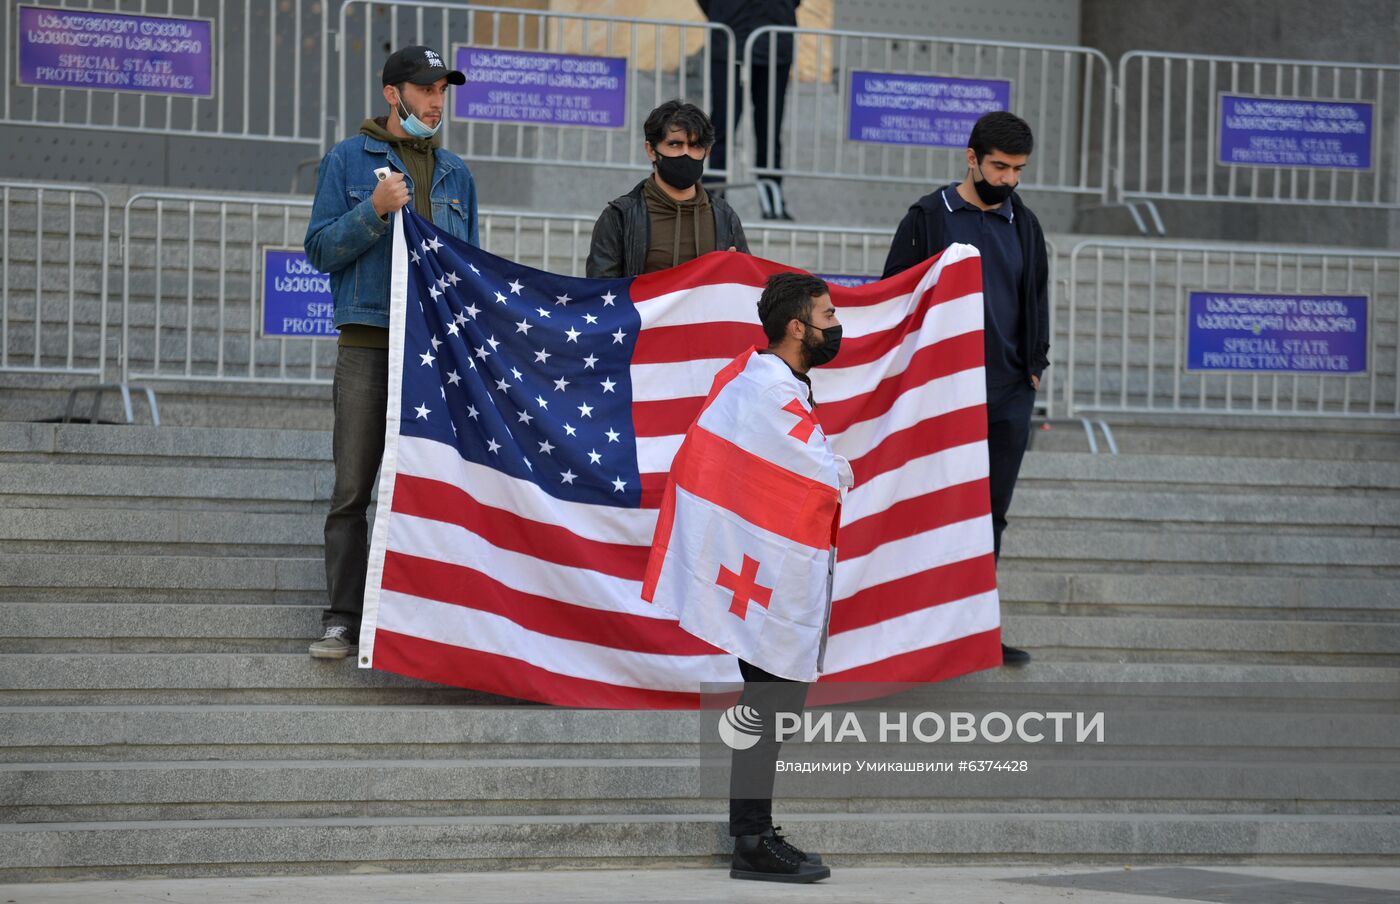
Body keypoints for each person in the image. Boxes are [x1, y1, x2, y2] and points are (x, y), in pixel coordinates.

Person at [643, 273, 850, 883]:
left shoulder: (771, 381)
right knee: (768, 704)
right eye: (828, 314)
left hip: (763, 571)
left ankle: (756, 832)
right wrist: (837, 471)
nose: (835, 325)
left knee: (772, 704)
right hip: (760, 575)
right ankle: (752, 842)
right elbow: (815, 473)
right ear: (797, 326)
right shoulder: (765, 388)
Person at [303, 45, 479, 659]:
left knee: (432, 486)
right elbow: (321, 249)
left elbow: (469, 271)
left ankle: (418, 619)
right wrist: (373, 212)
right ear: (393, 94)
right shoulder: (349, 160)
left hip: (434, 354)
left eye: (443, 90)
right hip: (368, 345)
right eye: (427, 88)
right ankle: (341, 618)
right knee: (353, 487)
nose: (437, 100)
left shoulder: (458, 173)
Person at [881, 111, 1048, 668]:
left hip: (1006, 393)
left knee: (990, 515)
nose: (1009, 180)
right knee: (928, 510)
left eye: (1018, 169)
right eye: (999, 167)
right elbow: (895, 299)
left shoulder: (1025, 223)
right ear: (971, 157)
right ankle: (909, 631)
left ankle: (974, 633)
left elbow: (1036, 298)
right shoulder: (928, 217)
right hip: (942, 394)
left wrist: (1034, 366)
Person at [585, 100, 747, 278]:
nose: (686, 153)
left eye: (695, 146)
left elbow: (744, 289)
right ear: (651, 150)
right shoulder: (620, 217)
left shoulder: (725, 217)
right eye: (674, 144)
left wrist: (735, 271)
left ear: (707, 151)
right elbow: (601, 292)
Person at [699, 0, 800, 220]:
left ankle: (771, 197)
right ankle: (713, 197)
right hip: (730, 40)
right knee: (723, 124)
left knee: (770, 126)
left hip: (773, 42)